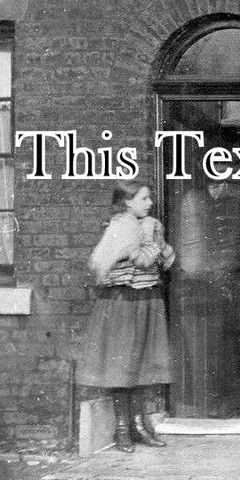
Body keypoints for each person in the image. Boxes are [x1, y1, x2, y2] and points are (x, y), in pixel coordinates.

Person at [77, 181, 175, 452]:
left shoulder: (149, 225)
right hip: (123, 302)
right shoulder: (119, 228)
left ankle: (139, 426)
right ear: (128, 202)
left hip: (147, 300)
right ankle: (122, 429)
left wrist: (159, 243)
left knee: (144, 363)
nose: (150, 203)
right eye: (144, 199)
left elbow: (167, 261)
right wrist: (153, 243)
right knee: (123, 365)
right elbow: (140, 260)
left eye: (150, 199)